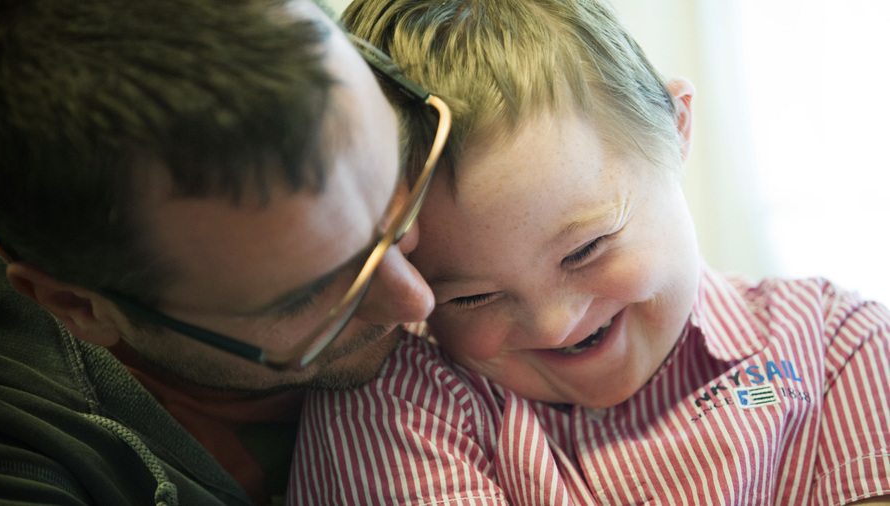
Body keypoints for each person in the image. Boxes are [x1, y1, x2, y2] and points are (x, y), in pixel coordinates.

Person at [288, 0, 890, 504]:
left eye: (586, 249)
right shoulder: (394, 410)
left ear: (677, 128)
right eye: (471, 296)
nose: (554, 325)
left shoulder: (833, 348)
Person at [0, 0, 451, 503]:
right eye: (307, 294)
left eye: (402, 181)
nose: (416, 300)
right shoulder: (29, 466)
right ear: (79, 307)